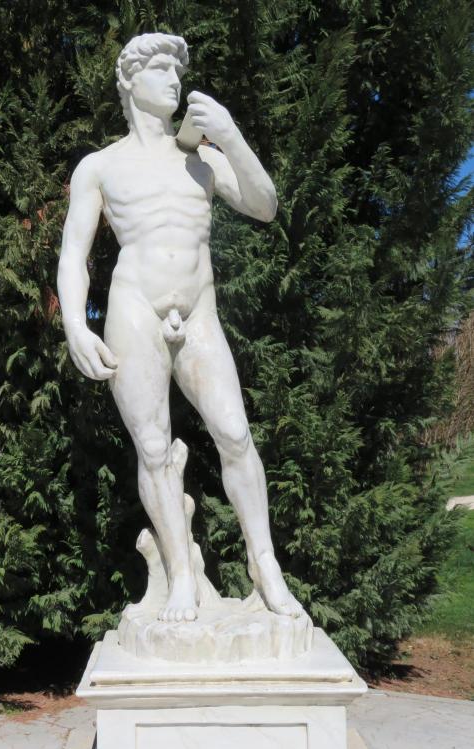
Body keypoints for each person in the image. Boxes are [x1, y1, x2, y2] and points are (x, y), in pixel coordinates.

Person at [57, 33, 302, 623]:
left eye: (177, 70)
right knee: (152, 447)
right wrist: (75, 324)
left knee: (235, 434)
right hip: (134, 309)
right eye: (161, 69)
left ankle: (265, 565)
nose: (174, 80)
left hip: (198, 311)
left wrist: (231, 135)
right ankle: (182, 575)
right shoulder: (100, 166)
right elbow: (73, 256)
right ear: (129, 81)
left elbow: (265, 205)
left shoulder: (202, 159)